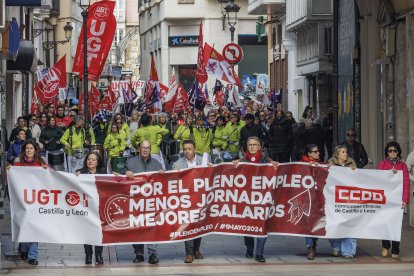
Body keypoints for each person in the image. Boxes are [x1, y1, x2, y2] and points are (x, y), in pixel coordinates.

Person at [233, 137, 277, 263]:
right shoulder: (241, 161)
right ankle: (250, 248)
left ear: (259, 147)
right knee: (248, 227)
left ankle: (259, 253)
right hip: (246, 198)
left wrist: (275, 165)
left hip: (262, 198)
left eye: (254, 145)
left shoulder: (266, 160)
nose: (252, 147)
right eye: (250, 145)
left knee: (262, 226)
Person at [124, 140, 164, 264]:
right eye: (143, 147)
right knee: (136, 227)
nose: (145, 150)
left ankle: (152, 253)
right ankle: (139, 253)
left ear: (150, 149)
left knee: (152, 227)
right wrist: (126, 173)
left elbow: (163, 183)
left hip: (151, 202)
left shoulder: (157, 164)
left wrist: (163, 174)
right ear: (139, 149)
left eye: (147, 148)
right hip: (136, 202)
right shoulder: (130, 162)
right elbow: (119, 179)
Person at [11, 140, 47, 265]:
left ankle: (32, 255)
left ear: (35, 150)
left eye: (31, 148)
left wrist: (47, 171)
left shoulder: (41, 164)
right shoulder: (18, 164)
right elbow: (11, 178)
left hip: (37, 201)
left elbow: (52, 177)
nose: (29, 150)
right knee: (23, 226)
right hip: (22, 201)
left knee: (34, 227)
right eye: (27, 148)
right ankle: (24, 248)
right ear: (24, 150)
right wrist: (9, 170)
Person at [172, 140, 206, 263]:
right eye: (185, 149)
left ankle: (197, 249)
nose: (187, 151)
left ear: (194, 149)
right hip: (186, 200)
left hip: (200, 198)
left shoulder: (203, 161)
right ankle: (189, 252)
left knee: (199, 225)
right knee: (188, 225)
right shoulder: (177, 164)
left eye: (189, 149)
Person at [377, 141, 410, 259]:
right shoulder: (382, 164)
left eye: (394, 151)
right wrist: (389, 174)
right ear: (387, 152)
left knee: (396, 225)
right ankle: (385, 246)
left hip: (397, 201)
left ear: (398, 152)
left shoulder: (403, 166)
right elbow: (377, 179)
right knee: (385, 223)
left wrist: (405, 200)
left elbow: (406, 184)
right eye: (390, 150)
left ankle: (396, 249)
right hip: (385, 200)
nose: (392, 153)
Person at [75, 151, 106, 265]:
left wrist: (116, 177)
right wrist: (75, 177)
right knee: (87, 231)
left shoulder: (103, 173)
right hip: (86, 207)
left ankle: (99, 254)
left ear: (98, 162)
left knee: (99, 231)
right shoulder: (80, 173)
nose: (90, 161)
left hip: (99, 207)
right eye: (89, 159)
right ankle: (88, 254)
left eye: (93, 159)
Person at [328, 145, 357, 259]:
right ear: (337, 154)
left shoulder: (351, 164)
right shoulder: (331, 164)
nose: (345, 154)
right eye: (343, 152)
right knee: (334, 224)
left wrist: (355, 172)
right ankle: (335, 245)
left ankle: (348, 251)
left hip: (348, 199)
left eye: (346, 152)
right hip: (334, 199)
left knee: (349, 224)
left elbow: (358, 180)